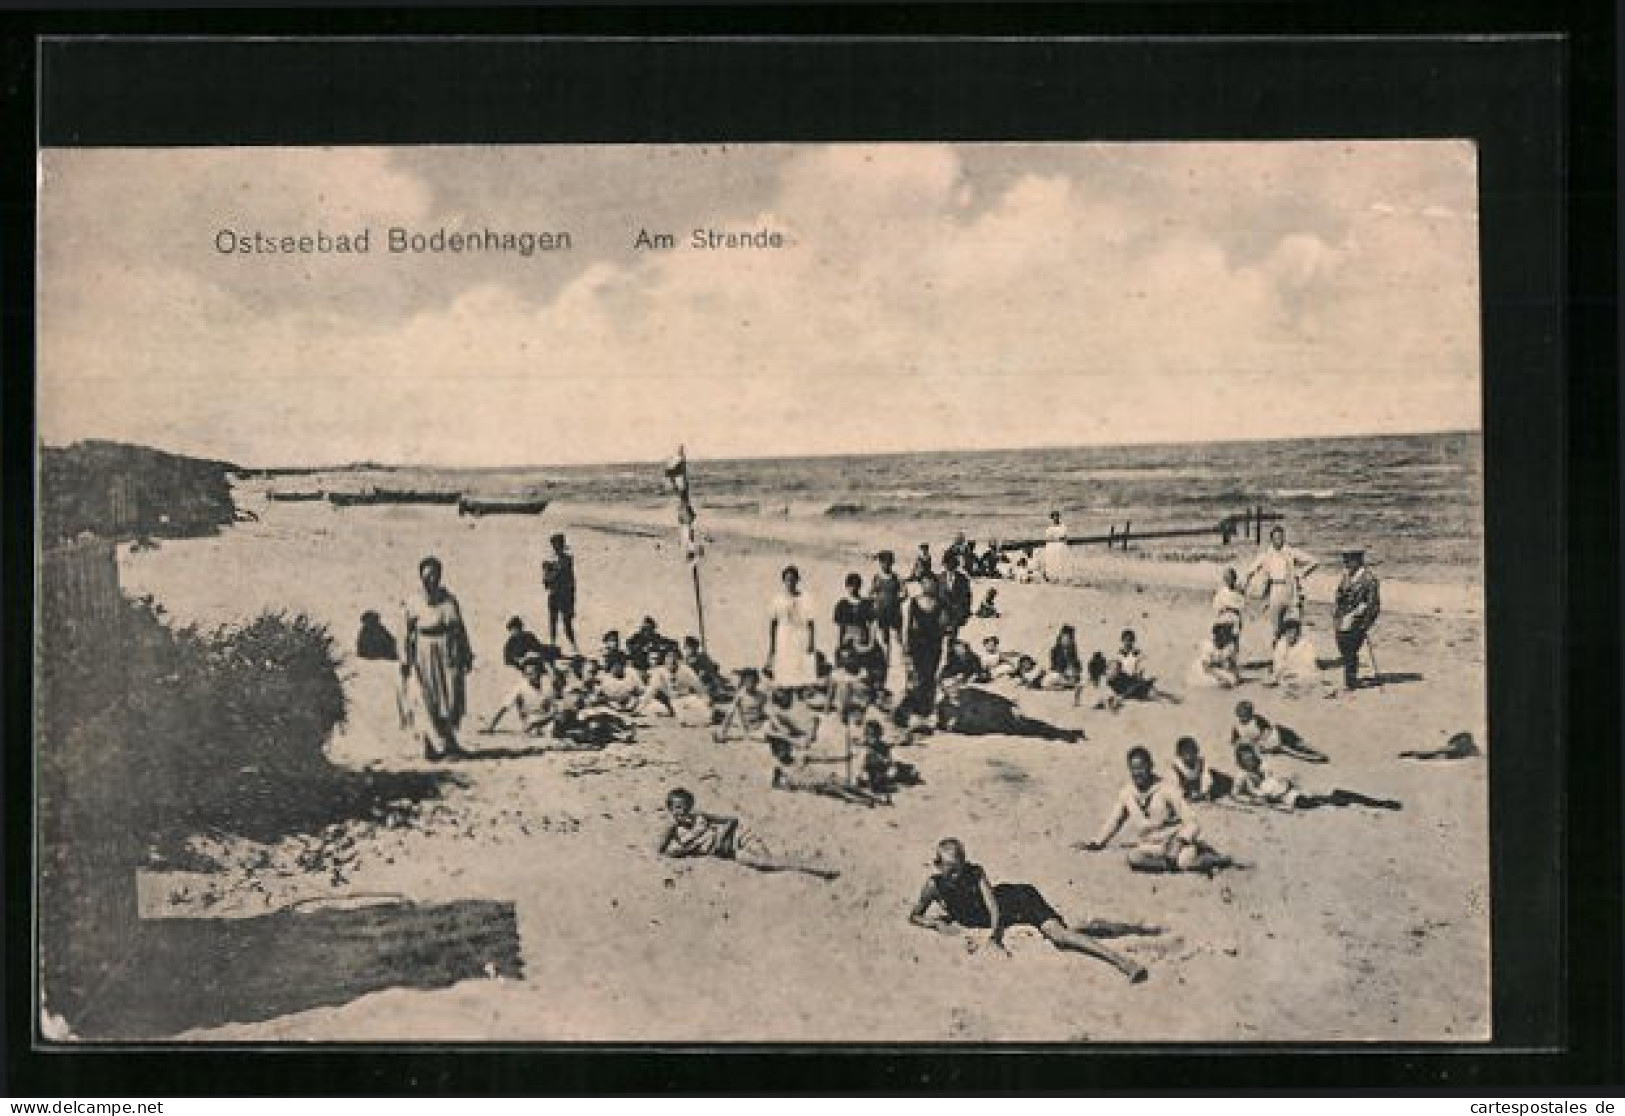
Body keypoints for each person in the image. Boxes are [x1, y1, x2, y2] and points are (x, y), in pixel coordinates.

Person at [908, 838, 1154, 981]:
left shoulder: (975, 873)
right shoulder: (934, 886)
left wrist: (995, 937)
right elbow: (914, 915)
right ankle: (1131, 928)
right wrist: (933, 923)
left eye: (958, 868)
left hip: (1019, 901)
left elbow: (993, 908)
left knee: (1060, 935)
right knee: (1072, 928)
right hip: (1012, 916)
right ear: (937, 865)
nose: (955, 874)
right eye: (949, 869)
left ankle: (1124, 962)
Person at [1078, 747, 1234, 874]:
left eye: (1141, 767)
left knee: (1186, 862)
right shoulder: (1127, 793)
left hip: (1176, 843)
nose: (1137, 773)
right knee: (1134, 858)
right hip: (1152, 845)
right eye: (1133, 768)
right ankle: (1169, 865)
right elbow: (1115, 820)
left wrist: (1179, 841)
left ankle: (1215, 859)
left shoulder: (1167, 789)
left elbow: (1192, 822)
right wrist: (1097, 842)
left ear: (1150, 766)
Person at [656, 787, 839, 878]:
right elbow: (661, 851)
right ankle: (817, 868)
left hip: (738, 837)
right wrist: (687, 846)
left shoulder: (700, 816)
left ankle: (817, 867)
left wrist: (721, 836)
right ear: (670, 808)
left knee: (770, 860)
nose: (682, 811)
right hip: (731, 852)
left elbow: (731, 820)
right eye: (678, 808)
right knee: (766, 863)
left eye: (686, 807)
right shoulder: (672, 828)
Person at [403, 555, 475, 761]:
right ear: (421, 577)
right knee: (429, 698)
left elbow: (460, 629)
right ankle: (432, 745)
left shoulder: (450, 600)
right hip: (424, 652)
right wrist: (405, 660)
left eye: (434, 575)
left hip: (449, 651)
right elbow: (405, 633)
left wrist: (466, 653)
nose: (431, 579)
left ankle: (450, 742)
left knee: (452, 697)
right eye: (426, 576)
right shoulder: (413, 602)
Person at [1233, 743, 1401, 811]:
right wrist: (1255, 800)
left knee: (1334, 793)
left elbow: (1279, 777)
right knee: (1320, 801)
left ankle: (1379, 802)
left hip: (1292, 788)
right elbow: (1235, 795)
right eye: (1246, 759)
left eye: (1251, 757)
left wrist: (1288, 780)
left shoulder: (1263, 765)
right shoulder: (1242, 776)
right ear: (1241, 761)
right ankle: (1361, 804)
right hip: (1285, 798)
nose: (1250, 761)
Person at [1243, 526, 1318, 642]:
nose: (1279, 540)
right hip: (1274, 590)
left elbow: (1314, 561)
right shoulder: (1266, 555)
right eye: (1276, 537)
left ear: (1284, 538)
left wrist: (1301, 574)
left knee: (1294, 624)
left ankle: (1294, 654)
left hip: (1291, 590)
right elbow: (1250, 570)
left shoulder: (1291, 552)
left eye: (1281, 537)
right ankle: (1278, 655)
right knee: (1276, 628)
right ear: (1271, 539)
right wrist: (1245, 586)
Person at [899, 572, 948, 723]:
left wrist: (945, 649)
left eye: (932, 583)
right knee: (916, 677)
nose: (929, 585)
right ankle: (913, 711)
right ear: (921, 584)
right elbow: (906, 626)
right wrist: (905, 646)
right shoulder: (912, 603)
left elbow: (944, 628)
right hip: (917, 645)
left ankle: (927, 711)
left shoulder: (940, 603)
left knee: (930, 677)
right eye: (926, 582)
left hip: (933, 646)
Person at [1332, 547, 1382, 690]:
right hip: (1341, 618)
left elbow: (1374, 604)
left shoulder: (1369, 579)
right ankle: (1351, 678)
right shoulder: (1347, 576)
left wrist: (1365, 623)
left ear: (1358, 561)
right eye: (1345, 560)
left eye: (1349, 561)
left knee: (1351, 650)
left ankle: (1350, 680)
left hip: (1357, 620)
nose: (1346, 564)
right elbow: (1339, 593)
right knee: (1343, 647)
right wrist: (1337, 608)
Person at [766, 565, 818, 691]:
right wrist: (772, 645)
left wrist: (811, 642)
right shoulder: (777, 599)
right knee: (785, 659)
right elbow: (773, 623)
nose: (790, 582)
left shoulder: (805, 598)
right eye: (788, 579)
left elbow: (810, 622)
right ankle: (785, 687)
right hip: (784, 633)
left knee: (801, 660)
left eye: (793, 579)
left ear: (797, 580)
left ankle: (800, 688)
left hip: (801, 633)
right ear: (784, 581)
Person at [1230, 699, 1328, 763]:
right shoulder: (1237, 727)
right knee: (1286, 750)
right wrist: (1253, 744)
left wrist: (1260, 740)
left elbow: (1267, 729)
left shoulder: (1256, 719)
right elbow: (1236, 742)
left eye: (1246, 714)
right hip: (1265, 743)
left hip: (1277, 734)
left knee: (1299, 743)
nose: (1244, 717)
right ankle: (1310, 758)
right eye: (1241, 715)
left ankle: (1319, 752)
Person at [483, 653, 557, 736]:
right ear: (525, 674)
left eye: (535, 672)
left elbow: (554, 703)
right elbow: (504, 708)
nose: (532, 676)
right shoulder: (520, 688)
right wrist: (491, 726)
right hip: (530, 721)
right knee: (541, 729)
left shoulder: (547, 685)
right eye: (529, 674)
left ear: (540, 672)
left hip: (546, 719)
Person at [542, 532, 579, 654]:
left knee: (566, 622)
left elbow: (571, 580)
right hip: (555, 594)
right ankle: (554, 644)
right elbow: (545, 581)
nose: (558, 548)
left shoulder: (567, 560)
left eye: (560, 545)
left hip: (564, 595)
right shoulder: (549, 561)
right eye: (557, 545)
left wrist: (573, 601)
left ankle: (573, 645)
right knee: (553, 621)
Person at [713, 668, 770, 743]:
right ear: (744, 682)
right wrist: (723, 733)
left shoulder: (762, 696)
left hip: (762, 724)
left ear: (757, 681)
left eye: (753, 681)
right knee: (768, 736)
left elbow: (767, 713)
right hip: (750, 728)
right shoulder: (740, 695)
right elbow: (730, 714)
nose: (750, 683)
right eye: (748, 681)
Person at [1170, 736, 1234, 802]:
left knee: (1224, 781)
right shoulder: (1177, 767)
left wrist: (1204, 792)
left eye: (1192, 752)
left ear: (1196, 752)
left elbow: (1206, 777)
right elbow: (1175, 785)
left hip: (1200, 786)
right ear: (1179, 755)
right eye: (1186, 753)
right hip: (1187, 787)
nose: (1190, 756)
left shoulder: (1200, 762)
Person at [1268, 618, 1324, 690]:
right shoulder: (1281, 644)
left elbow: (1309, 664)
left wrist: (1295, 672)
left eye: (1294, 633)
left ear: (1298, 634)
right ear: (1285, 633)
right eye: (1289, 632)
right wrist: (1282, 672)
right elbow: (1278, 663)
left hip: (1302, 674)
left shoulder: (1306, 645)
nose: (1292, 635)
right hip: (1285, 675)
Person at [870, 550, 905, 658]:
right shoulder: (877, 577)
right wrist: (876, 601)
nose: (885, 565)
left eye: (887, 562)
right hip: (882, 611)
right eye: (882, 562)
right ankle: (886, 659)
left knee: (899, 636)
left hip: (894, 610)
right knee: (885, 637)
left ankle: (902, 658)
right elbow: (871, 592)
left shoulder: (896, 577)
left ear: (891, 563)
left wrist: (897, 600)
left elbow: (904, 592)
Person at [1187, 623, 1241, 689]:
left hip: (1215, 669)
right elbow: (1206, 668)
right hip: (1203, 671)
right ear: (1215, 636)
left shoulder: (1228, 647)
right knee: (1225, 682)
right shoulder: (1209, 646)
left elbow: (1230, 663)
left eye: (1227, 635)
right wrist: (1220, 676)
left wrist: (1231, 671)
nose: (1225, 637)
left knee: (1234, 680)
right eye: (1221, 635)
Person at [1107, 629, 1157, 701]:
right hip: (1121, 679)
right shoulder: (1118, 654)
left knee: (1143, 684)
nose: (1127, 642)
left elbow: (1143, 667)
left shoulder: (1138, 653)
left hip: (1134, 679)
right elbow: (1112, 667)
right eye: (1126, 640)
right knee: (1112, 680)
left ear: (1133, 641)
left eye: (1130, 640)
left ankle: (1130, 693)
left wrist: (1140, 674)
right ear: (1122, 641)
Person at [939, 552, 974, 638]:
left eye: (951, 563)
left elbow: (967, 596)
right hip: (942, 614)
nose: (949, 566)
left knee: (953, 636)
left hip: (956, 613)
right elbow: (935, 596)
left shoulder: (962, 579)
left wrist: (965, 612)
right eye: (946, 563)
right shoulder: (939, 578)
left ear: (955, 564)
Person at [1211, 567, 1247, 645]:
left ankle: (1233, 652)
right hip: (1223, 617)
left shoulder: (1239, 592)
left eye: (1231, 579)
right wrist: (1221, 610)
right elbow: (1216, 605)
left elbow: (1242, 605)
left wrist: (1230, 607)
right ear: (1224, 580)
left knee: (1234, 636)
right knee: (1216, 632)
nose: (1229, 581)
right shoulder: (1221, 592)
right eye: (1227, 579)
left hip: (1234, 617)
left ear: (1234, 579)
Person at [1042, 510, 1070, 582]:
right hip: (1052, 544)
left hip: (1060, 544)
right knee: (1050, 553)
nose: (1055, 518)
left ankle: (1060, 576)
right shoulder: (1050, 527)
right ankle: (1051, 576)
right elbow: (1048, 536)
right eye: (1054, 517)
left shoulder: (1062, 526)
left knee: (1060, 552)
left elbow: (1063, 535)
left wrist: (1057, 538)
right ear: (1052, 518)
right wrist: (1053, 538)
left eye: (1057, 516)